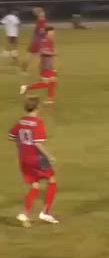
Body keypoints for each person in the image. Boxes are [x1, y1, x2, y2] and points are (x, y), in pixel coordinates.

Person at [8, 97, 58, 227]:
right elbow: (37, 143)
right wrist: (49, 156)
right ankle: (46, 212)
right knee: (52, 180)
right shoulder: (38, 122)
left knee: (35, 185)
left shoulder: (21, 121)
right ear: (37, 108)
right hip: (37, 158)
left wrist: (22, 146)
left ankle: (24, 214)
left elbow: (11, 136)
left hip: (24, 159)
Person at [20, 26, 58, 104]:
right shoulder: (44, 41)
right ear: (47, 32)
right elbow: (42, 51)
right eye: (51, 31)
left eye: (53, 31)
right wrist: (52, 53)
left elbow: (51, 52)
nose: (53, 33)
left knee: (53, 81)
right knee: (46, 83)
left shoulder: (51, 41)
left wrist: (53, 65)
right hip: (45, 66)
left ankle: (50, 99)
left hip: (50, 65)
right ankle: (26, 87)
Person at [22, 6, 47, 73]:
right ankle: (24, 69)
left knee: (38, 57)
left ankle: (25, 70)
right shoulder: (41, 21)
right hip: (37, 41)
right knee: (33, 56)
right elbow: (41, 32)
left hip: (36, 41)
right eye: (42, 12)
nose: (44, 13)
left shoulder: (42, 20)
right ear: (39, 13)